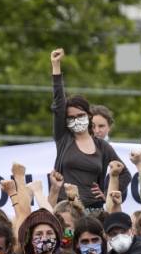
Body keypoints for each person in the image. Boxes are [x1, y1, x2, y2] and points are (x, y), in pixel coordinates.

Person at [50, 49, 130, 212]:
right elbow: (59, 104)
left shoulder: (101, 146)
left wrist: (107, 193)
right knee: (67, 238)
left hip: (94, 211)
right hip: (67, 210)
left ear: (89, 116)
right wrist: (56, 66)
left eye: (80, 115)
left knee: (94, 238)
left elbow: (125, 174)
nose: (76, 119)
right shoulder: (64, 139)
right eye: (71, 117)